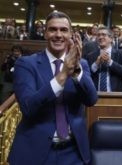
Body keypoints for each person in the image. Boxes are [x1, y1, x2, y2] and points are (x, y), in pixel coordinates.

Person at [9, 11, 98, 165]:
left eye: (63, 30)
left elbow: (91, 99)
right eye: (53, 29)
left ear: (70, 34)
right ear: (45, 34)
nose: (58, 34)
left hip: (74, 152)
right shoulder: (25, 64)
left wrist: (76, 70)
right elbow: (28, 107)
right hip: (34, 152)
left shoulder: (81, 64)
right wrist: (63, 74)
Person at [84, 27, 122, 92]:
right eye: (98, 35)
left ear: (111, 39)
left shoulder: (121, 54)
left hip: (115, 95)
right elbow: (86, 76)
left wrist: (110, 62)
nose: (100, 37)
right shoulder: (91, 55)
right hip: (95, 94)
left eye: (103, 35)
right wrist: (96, 64)